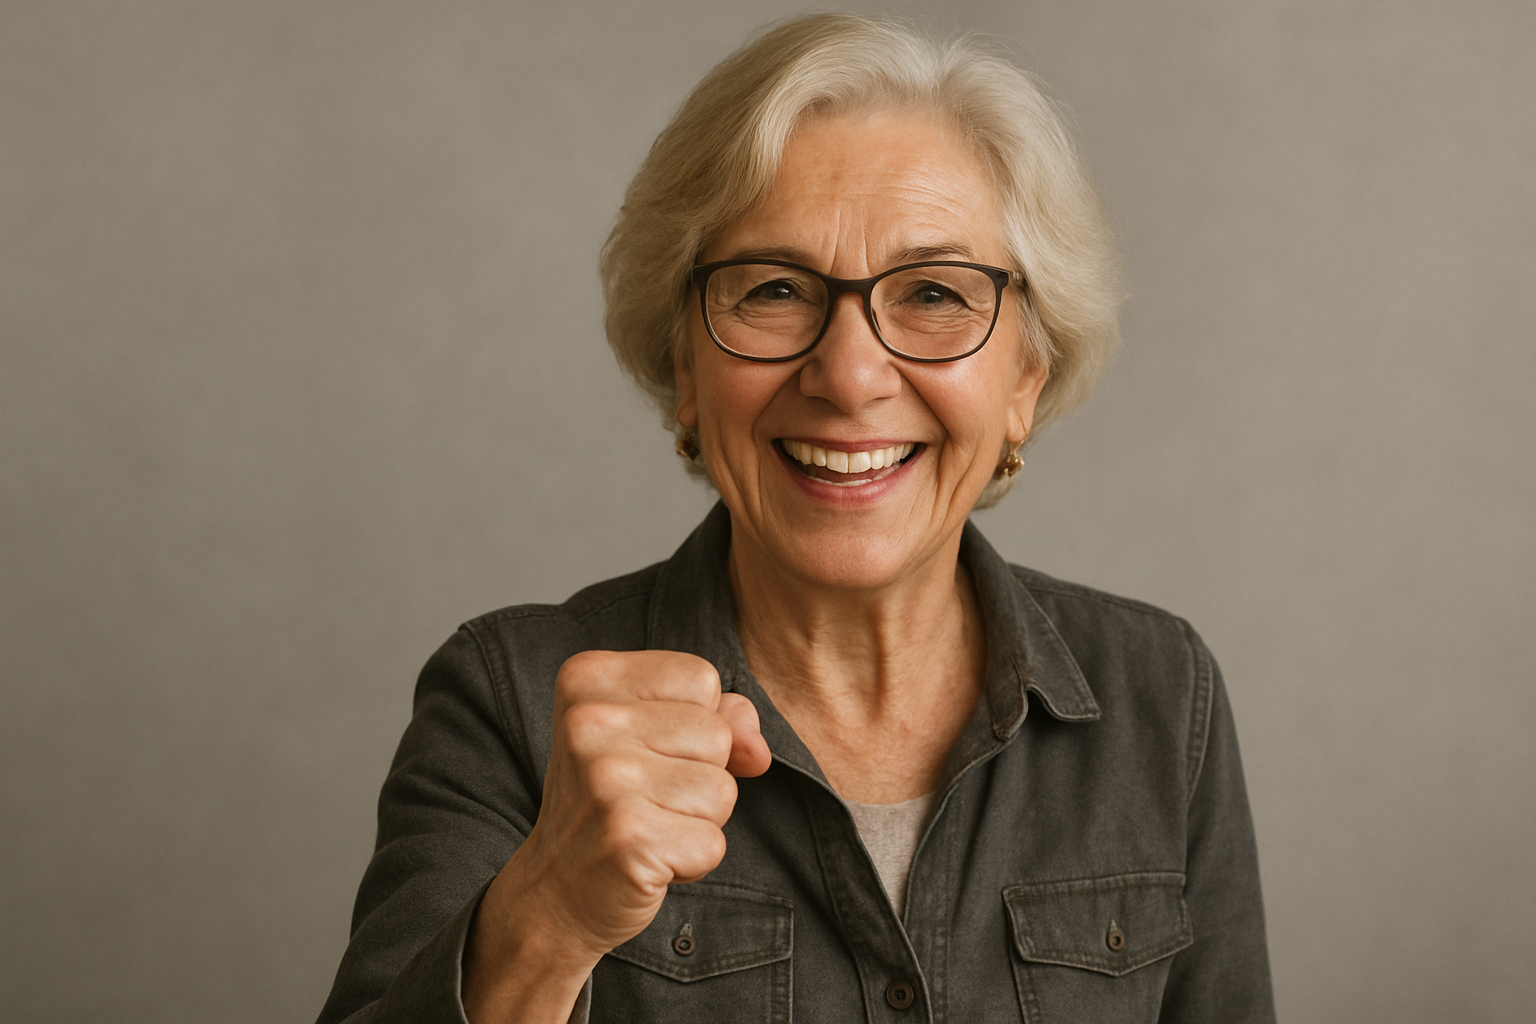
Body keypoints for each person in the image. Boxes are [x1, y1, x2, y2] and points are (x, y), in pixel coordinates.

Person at [316, 13, 1274, 1024]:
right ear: (685, 365)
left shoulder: (1163, 697)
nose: (850, 375)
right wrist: (548, 916)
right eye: (774, 289)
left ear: (1026, 379)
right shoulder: (509, 702)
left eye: (934, 294)